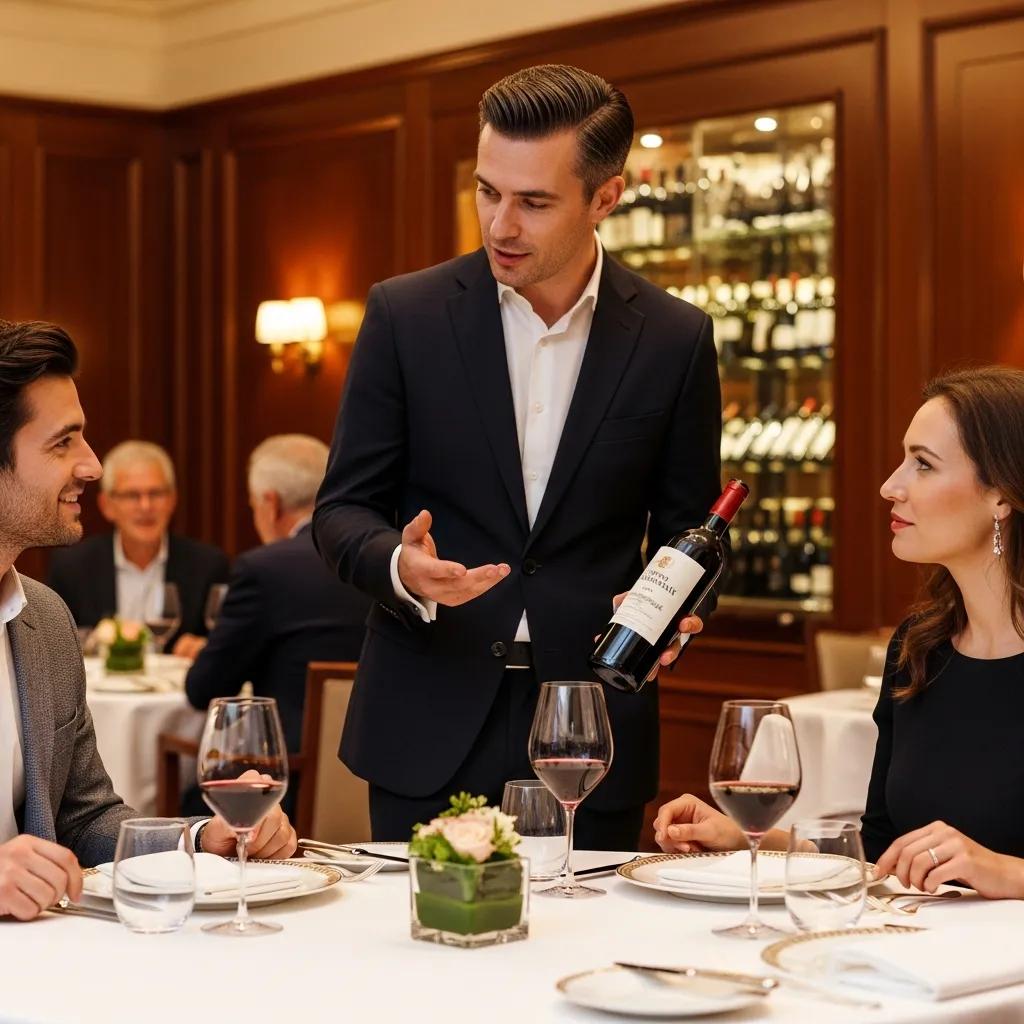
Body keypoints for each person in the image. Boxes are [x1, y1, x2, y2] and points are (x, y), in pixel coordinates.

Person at [314, 64, 723, 849]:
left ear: (607, 197)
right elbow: (340, 512)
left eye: (534, 202)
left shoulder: (675, 338)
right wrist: (401, 568)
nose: (501, 224)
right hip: (425, 714)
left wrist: (683, 611)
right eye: (487, 191)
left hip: (592, 727)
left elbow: (693, 531)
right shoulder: (405, 315)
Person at [653, 367, 1024, 899]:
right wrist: (747, 837)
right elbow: (878, 852)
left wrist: (1003, 872)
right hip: (921, 959)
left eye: (923, 464)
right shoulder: (919, 648)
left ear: (1001, 495)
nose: (890, 485)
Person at [0, 319, 296, 922]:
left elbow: (85, 816)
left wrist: (198, 841)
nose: (92, 466)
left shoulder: (46, 622)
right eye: (64, 443)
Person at [184, 434, 370, 795]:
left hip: (286, 786)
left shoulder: (265, 569)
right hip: (379, 770)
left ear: (270, 504)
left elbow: (204, 688)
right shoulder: (376, 562)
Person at [47, 439, 229, 654]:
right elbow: (54, 648)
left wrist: (206, 649)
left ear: (173, 500)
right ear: (107, 505)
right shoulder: (72, 567)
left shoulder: (208, 566)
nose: (146, 506)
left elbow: (227, 646)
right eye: (132, 496)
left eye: (156, 494)